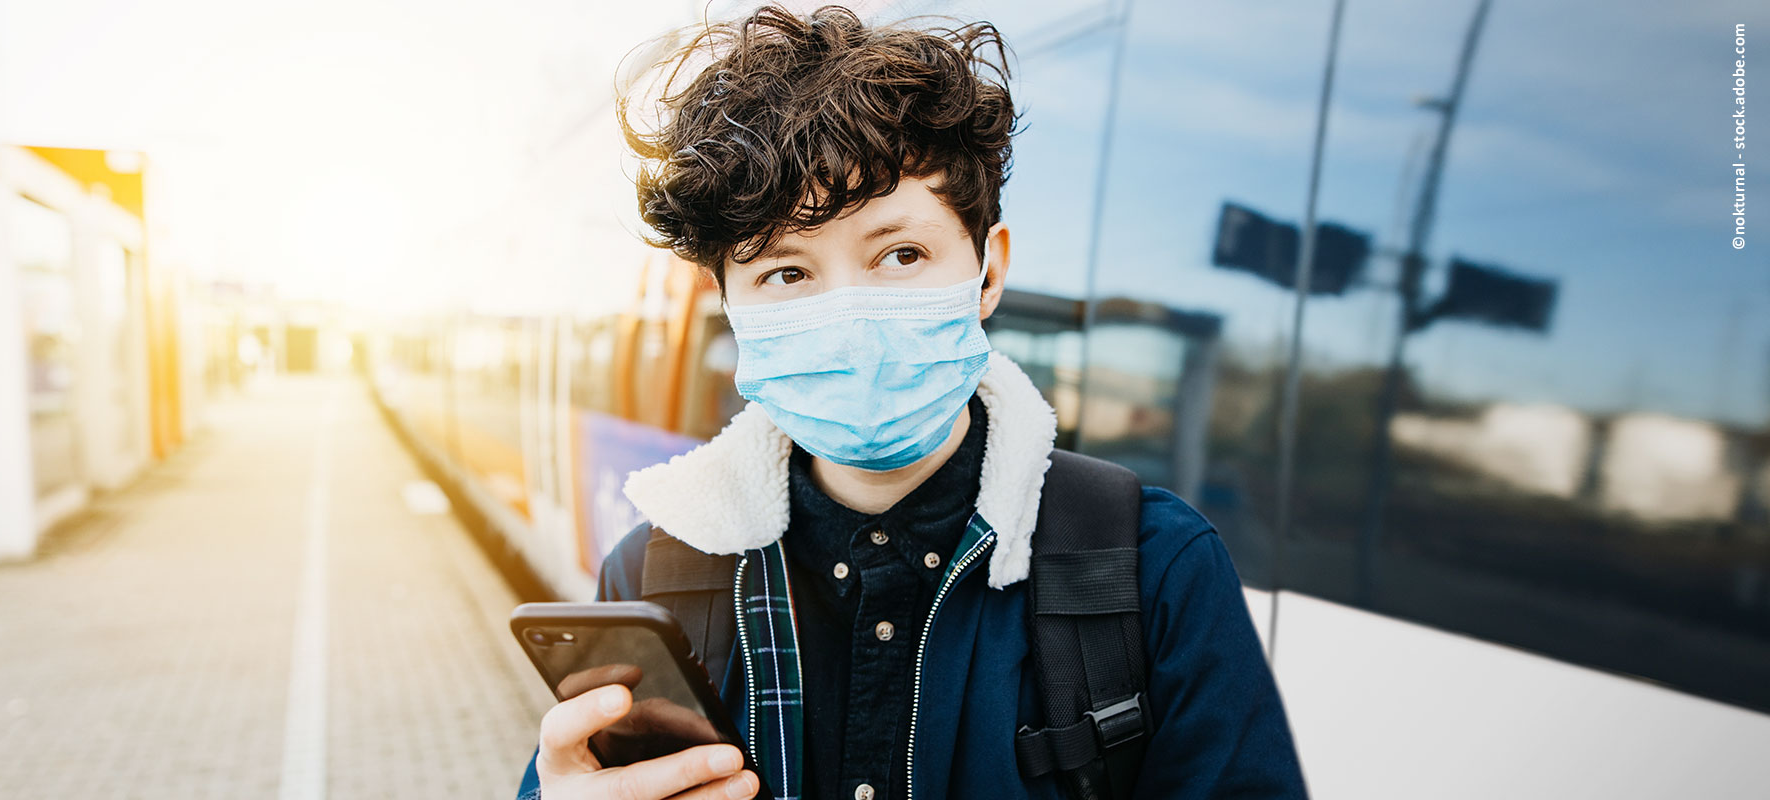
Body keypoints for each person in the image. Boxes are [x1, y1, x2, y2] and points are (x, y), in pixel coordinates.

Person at [516, 5, 1306, 799]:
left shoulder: (1155, 567)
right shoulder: (653, 574)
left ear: (988, 272)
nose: (851, 317)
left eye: (902, 253)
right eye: (785, 273)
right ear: (728, 302)